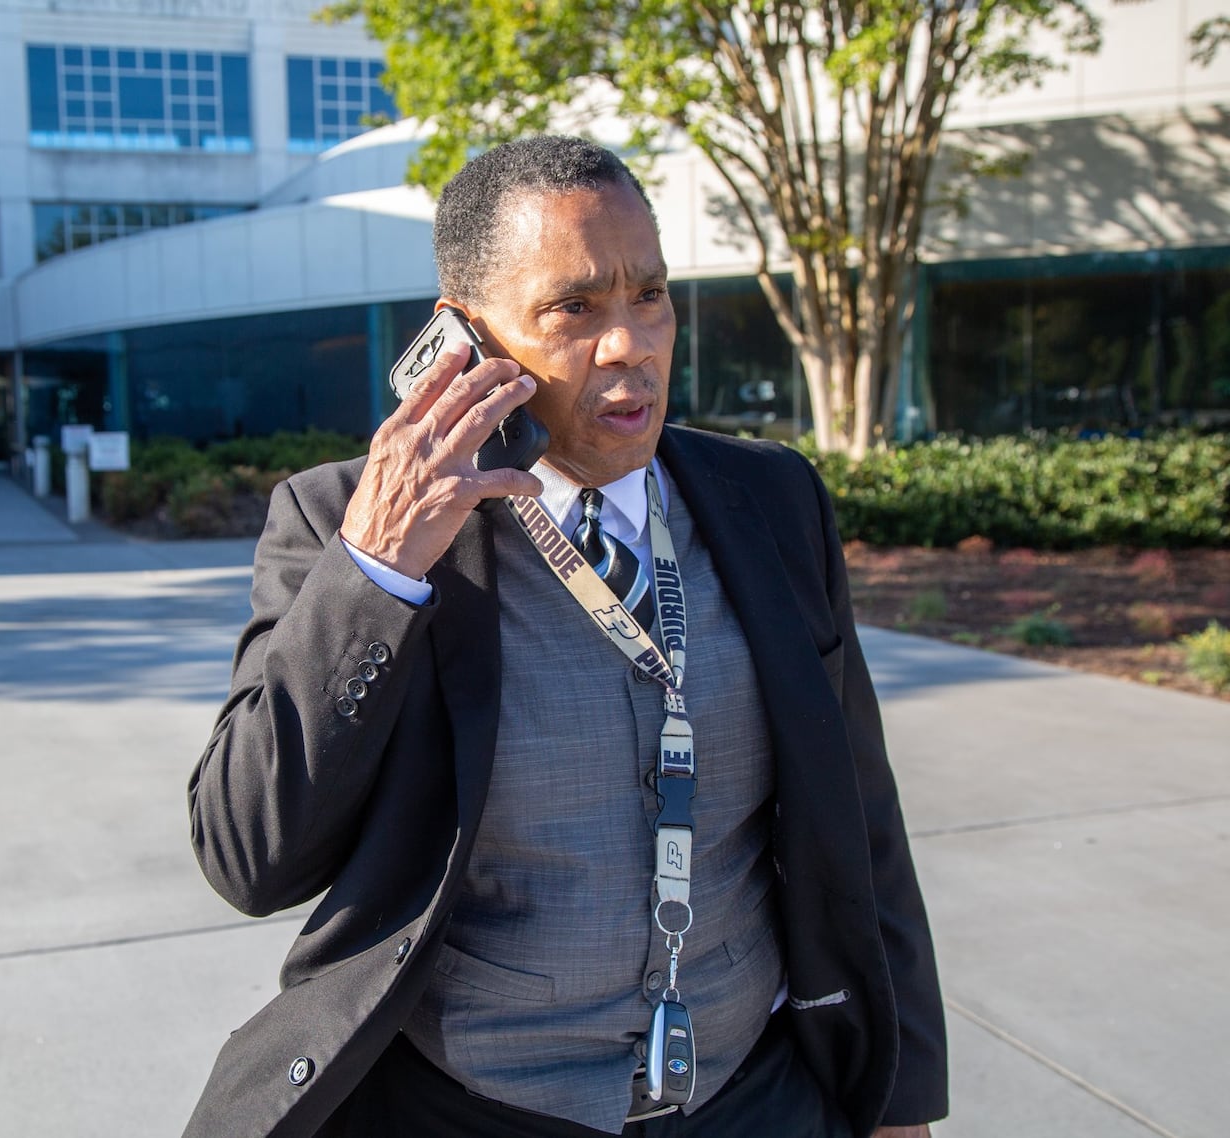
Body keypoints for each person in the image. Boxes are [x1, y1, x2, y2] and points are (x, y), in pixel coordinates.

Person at [186, 136, 946, 1138]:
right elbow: (248, 855)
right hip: (473, 1106)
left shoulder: (772, 499)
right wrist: (376, 569)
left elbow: (861, 816)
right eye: (574, 308)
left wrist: (898, 1103)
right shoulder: (341, 522)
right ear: (466, 338)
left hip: (749, 1093)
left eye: (650, 295)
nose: (630, 342)